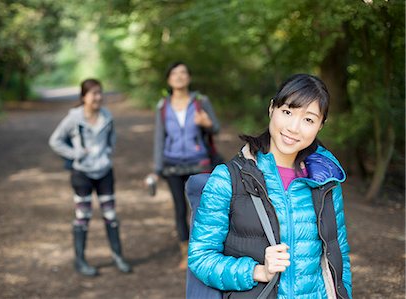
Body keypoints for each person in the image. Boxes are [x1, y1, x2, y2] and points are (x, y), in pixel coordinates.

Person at [188, 74, 352, 298]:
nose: (294, 128)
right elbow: (201, 257)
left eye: (309, 120)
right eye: (287, 112)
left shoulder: (327, 180)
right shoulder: (229, 178)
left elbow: (339, 254)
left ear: (320, 126)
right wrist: (257, 271)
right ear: (271, 109)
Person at [49, 78, 131, 276]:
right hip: (82, 174)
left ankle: (118, 256)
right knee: (83, 217)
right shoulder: (73, 118)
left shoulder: (107, 116)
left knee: (111, 216)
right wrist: (75, 154)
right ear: (83, 97)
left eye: (100, 92)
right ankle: (80, 261)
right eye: (93, 93)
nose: (98, 97)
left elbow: (112, 139)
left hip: (105, 173)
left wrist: (106, 153)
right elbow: (55, 141)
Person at [148, 62, 220, 270]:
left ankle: (205, 251)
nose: (179, 77)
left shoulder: (200, 101)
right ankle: (185, 253)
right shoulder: (162, 106)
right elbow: (159, 138)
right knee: (180, 209)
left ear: (189, 77)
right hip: (172, 164)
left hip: (199, 161)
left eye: (183, 73)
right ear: (169, 79)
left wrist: (206, 123)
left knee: (201, 207)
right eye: (174, 73)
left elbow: (215, 127)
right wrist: (157, 167)